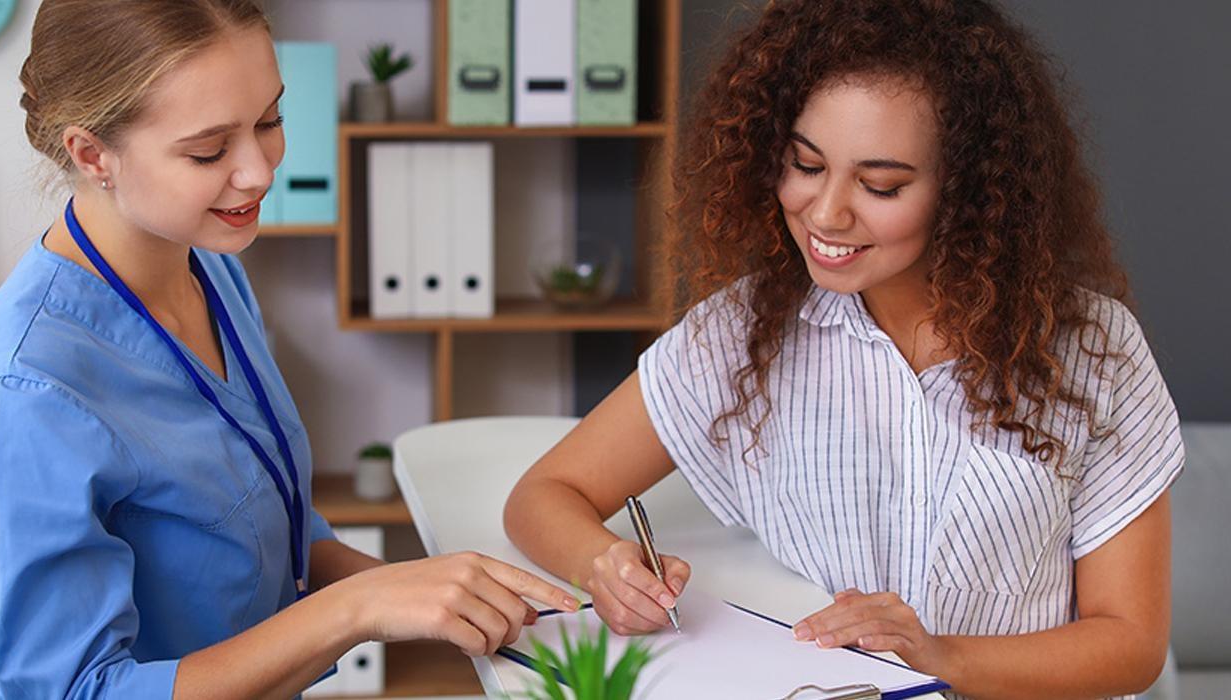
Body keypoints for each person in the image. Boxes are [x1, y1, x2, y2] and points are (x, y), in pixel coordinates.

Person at [503, 1, 1183, 697]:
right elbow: (543, 495)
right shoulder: (744, 334)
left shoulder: (1093, 350)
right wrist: (606, 565)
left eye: (880, 184)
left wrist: (941, 657)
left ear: (968, 191)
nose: (826, 213)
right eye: (805, 164)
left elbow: (1130, 643)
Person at [0, 1, 577, 697]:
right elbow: (75, 691)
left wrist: (429, 592)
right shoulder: (22, 392)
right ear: (92, 155)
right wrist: (361, 608)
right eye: (210, 150)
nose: (259, 171)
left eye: (269, 121)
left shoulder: (209, 270)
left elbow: (267, 522)